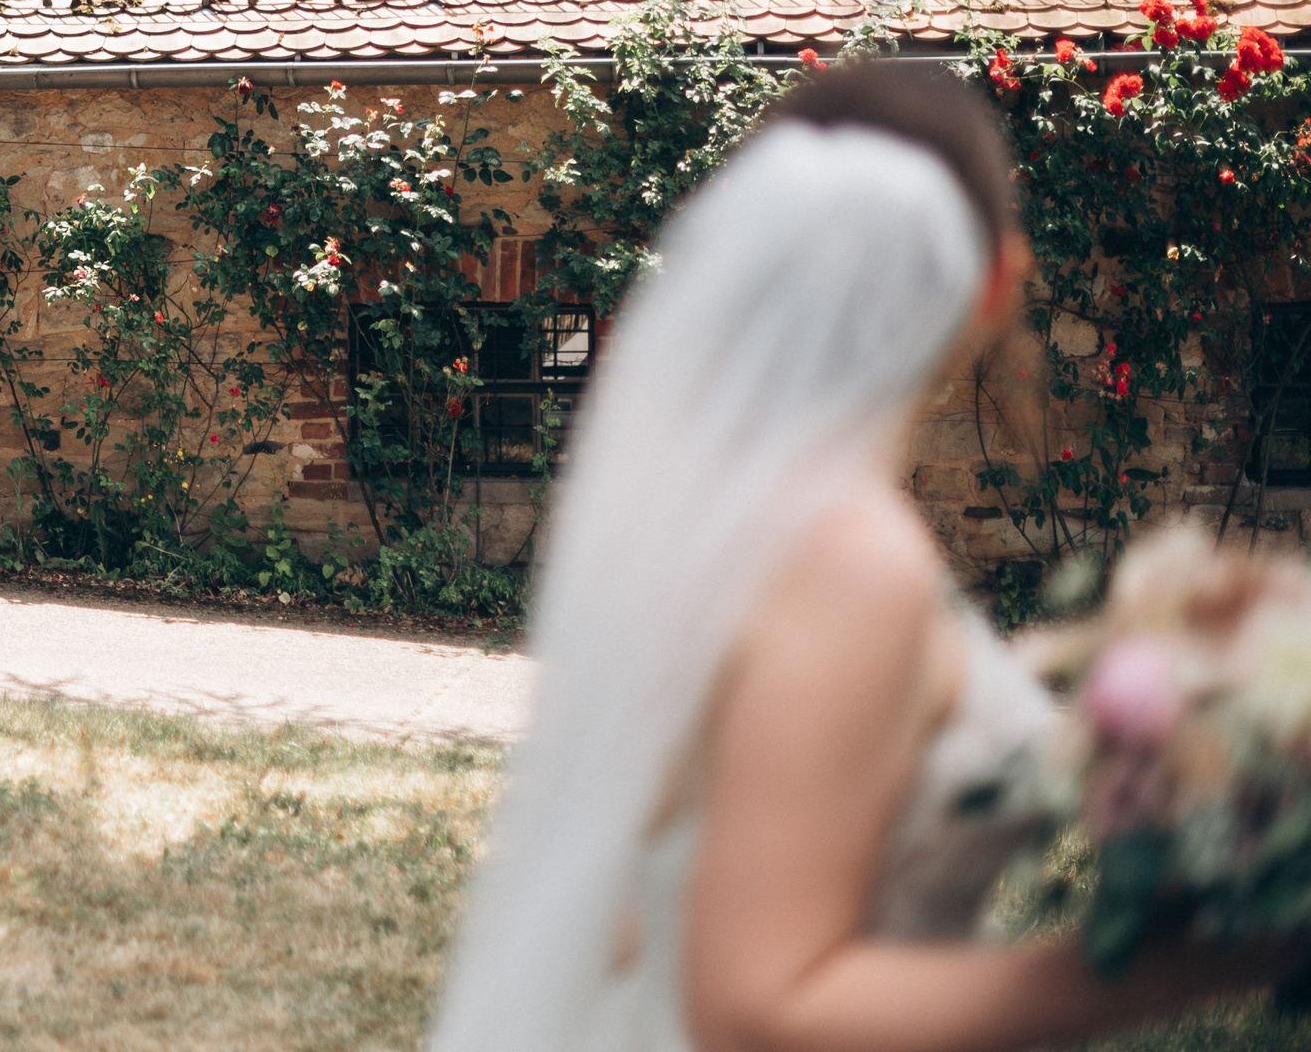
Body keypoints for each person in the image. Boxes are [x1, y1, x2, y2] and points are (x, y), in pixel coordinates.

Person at [431, 63, 1288, 1052]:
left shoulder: (719, 529)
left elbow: (636, 902)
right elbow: (759, 1005)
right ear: (995, 282)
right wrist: (1189, 960)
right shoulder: (847, 561)